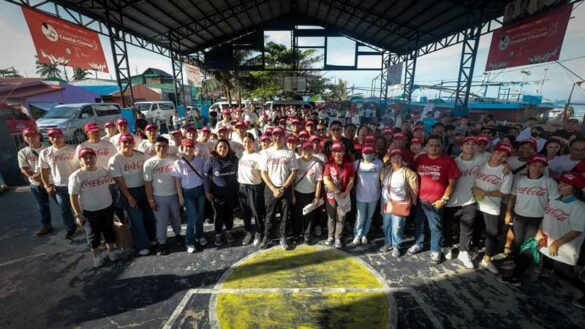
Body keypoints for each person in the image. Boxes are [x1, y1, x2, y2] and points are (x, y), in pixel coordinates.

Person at [500, 172, 585, 309]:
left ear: (574, 188)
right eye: (560, 183)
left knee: (563, 273)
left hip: (563, 246)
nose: (560, 186)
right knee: (527, 253)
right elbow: (546, 217)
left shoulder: (579, 207)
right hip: (546, 239)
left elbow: (577, 229)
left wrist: (557, 243)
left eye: (565, 184)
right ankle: (515, 276)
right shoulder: (555, 199)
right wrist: (539, 231)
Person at [411, 134, 460, 263]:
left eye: (437, 145)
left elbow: (452, 183)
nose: (434, 148)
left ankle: (435, 250)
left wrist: (443, 199)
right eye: (431, 145)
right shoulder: (420, 158)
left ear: (442, 146)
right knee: (419, 224)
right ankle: (418, 244)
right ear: (426, 146)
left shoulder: (448, 161)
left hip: (436, 201)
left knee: (435, 227)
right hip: (420, 199)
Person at [69, 148, 118, 268]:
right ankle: (96, 256)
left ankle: (110, 251)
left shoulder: (104, 171)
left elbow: (112, 185)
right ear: (80, 160)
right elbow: (73, 196)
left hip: (107, 207)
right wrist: (78, 214)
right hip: (90, 211)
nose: (89, 160)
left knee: (108, 230)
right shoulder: (76, 176)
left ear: (96, 158)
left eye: (91, 157)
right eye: (85, 158)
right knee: (92, 235)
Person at [109, 133, 156, 256]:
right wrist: (129, 197)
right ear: (119, 143)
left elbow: (148, 173)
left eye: (130, 142)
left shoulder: (140, 155)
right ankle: (142, 245)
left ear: (134, 143)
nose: (128, 144)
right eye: (125, 142)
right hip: (128, 192)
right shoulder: (115, 160)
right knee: (136, 220)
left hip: (143, 189)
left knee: (149, 216)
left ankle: (152, 239)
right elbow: (119, 181)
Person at [473, 144, 514, 274]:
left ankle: (487, 258)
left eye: (504, 156)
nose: (499, 157)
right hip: (476, 202)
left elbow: (504, 192)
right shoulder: (482, 164)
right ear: (493, 152)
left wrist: (485, 193)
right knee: (476, 227)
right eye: (498, 153)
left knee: (492, 233)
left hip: (491, 206)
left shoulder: (506, 172)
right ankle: (474, 249)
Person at [505, 154, 558, 254]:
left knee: (528, 243)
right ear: (528, 166)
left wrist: (546, 220)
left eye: (541, 166)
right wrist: (508, 212)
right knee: (518, 241)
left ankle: (522, 266)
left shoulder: (550, 182)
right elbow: (512, 196)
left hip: (537, 218)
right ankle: (516, 261)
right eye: (534, 165)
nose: (537, 168)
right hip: (519, 217)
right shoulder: (520, 180)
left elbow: (553, 202)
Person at [444, 136, 483, 268]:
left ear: (477, 148)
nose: (470, 146)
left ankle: (463, 251)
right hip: (452, 200)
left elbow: (496, 162)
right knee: (448, 226)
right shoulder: (453, 161)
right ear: (461, 146)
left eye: (473, 144)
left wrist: (505, 165)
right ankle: (447, 246)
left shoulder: (481, 161)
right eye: (467, 144)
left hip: (469, 200)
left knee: (467, 229)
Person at [259, 127, 299, 249]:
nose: (277, 138)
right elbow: (263, 173)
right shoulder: (266, 152)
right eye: (275, 135)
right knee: (269, 214)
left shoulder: (290, 153)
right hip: (270, 189)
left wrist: (283, 187)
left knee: (284, 214)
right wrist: (273, 189)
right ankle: (267, 236)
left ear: (284, 137)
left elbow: (293, 173)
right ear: (272, 137)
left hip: (284, 189)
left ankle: (283, 236)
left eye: (280, 135)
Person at [143, 136, 181, 255]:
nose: (161, 148)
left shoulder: (174, 159)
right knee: (161, 221)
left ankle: (178, 234)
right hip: (159, 196)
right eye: (158, 146)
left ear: (168, 147)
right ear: (154, 147)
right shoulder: (149, 163)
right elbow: (147, 184)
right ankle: (162, 243)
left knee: (176, 217)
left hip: (174, 194)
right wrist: (150, 200)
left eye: (164, 146)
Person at [39, 128, 79, 240]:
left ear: (63, 136)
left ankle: (87, 225)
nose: (55, 138)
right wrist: (47, 185)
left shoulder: (73, 149)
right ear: (49, 138)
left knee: (82, 206)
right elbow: (44, 171)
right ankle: (71, 228)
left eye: (58, 135)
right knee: (65, 209)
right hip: (59, 186)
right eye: (52, 136)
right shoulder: (45, 153)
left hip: (76, 184)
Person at [379, 148, 419, 257]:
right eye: (393, 157)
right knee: (386, 224)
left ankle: (396, 246)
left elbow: (414, 188)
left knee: (397, 226)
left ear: (402, 159)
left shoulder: (408, 173)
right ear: (390, 159)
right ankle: (388, 243)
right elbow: (382, 182)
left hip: (400, 202)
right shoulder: (385, 170)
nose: (396, 159)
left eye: (398, 157)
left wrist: (411, 200)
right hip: (386, 201)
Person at [172, 139, 208, 253]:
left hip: (200, 190)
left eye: (191, 147)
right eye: (186, 147)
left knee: (200, 215)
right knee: (192, 217)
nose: (189, 149)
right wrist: (180, 197)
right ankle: (189, 242)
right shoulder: (178, 163)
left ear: (194, 148)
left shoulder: (199, 160)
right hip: (187, 193)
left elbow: (204, 176)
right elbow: (177, 181)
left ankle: (200, 235)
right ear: (182, 148)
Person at [204, 139, 239, 246]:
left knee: (229, 214)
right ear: (216, 148)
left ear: (228, 149)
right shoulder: (211, 160)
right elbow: (205, 178)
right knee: (219, 215)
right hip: (217, 194)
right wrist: (207, 192)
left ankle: (228, 231)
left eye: (225, 147)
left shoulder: (234, 159)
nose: (222, 149)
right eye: (220, 147)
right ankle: (218, 234)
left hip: (231, 193)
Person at [18, 128, 53, 235]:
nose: (30, 138)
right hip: (36, 184)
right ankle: (47, 225)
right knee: (42, 206)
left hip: (52, 182)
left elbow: (54, 165)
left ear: (38, 136)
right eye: (27, 136)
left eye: (32, 135)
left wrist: (44, 178)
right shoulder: (22, 152)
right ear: (24, 138)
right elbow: (24, 168)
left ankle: (71, 224)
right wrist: (35, 177)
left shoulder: (48, 149)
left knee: (63, 205)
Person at [323, 142, 355, 248]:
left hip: (344, 196)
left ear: (343, 152)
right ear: (332, 153)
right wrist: (337, 191)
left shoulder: (349, 165)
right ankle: (330, 236)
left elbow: (351, 180)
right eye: (335, 151)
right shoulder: (328, 165)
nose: (337, 154)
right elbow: (326, 180)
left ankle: (338, 238)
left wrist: (346, 192)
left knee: (341, 218)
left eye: (340, 151)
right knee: (331, 217)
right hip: (331, 196)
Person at [349, 145, 383, 246]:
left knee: (369, 217)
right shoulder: (357, 163)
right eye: (366, 153)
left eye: (370, 153)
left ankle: (364, 234)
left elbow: (383, 176)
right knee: (360, 217)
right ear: (362, 154)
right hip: (360, 195)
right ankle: (357, 235)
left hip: (374, 195)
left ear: (374, 154)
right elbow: (349, 174)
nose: (368, 155)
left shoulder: (379, 163)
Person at [292, 142, 323, 245]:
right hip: (298, 193)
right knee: (297, 216)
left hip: (310, 193)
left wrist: (317, 196)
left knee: (310, 216)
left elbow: (318, 182)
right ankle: (296, 234)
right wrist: (292, 195)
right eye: (305, 149)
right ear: (301, 150)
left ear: (313, 150)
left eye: (310, 149)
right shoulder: (297, 162)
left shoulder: (316, 164)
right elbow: (292, 180)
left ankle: (307, 236)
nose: (307, 152)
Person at [237, 133, 265, 246]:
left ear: (253, 143)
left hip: (254, 187)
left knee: (256, 212)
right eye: (244, 142)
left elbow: (263, 173)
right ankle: (248, 232)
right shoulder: (241, 155)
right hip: (241, 187)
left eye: (249, 142)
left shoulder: (258, 157)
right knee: (245, 213)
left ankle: (259, 232)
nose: (246, 144)